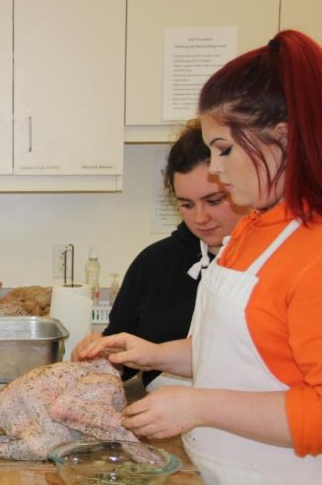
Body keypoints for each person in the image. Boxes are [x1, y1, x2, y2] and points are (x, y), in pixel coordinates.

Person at [77, 29, 322, 485]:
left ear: (284, 136)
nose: (216, 169)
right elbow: (244, 353)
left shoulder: (313, 250)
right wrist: (157, 353)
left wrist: (197, 406)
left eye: (225, 150)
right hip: (227, 484)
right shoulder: (256, 229)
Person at [71, 121, 246, 388]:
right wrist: (99, 357)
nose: (200, 218)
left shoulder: (268, 261)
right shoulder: (154, 264)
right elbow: (123, 357)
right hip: (164, 421)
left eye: (214, 201)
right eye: (186, 204)